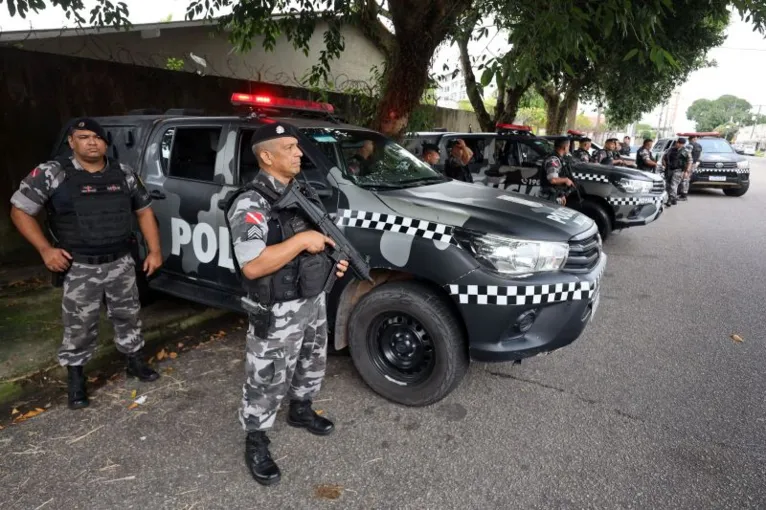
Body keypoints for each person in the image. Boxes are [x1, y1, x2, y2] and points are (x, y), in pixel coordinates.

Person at [225, 122, 350, 486]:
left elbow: (319, 241)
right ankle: (256, 440)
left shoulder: (301, 190)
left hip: (311, 299)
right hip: (276, 308)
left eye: (297, 146)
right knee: (267, 375)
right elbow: (253, 264)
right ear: (267, 156)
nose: (299, 153)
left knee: (312, 360)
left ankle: (300, 409)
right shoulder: (250, 202)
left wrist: (333, 259)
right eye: (290, 147)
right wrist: (304, 241)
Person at [9, 118, 163, 410]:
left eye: (97, 137)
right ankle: (77, 379)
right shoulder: (53, 173)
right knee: (79, 326)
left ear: (106, 142)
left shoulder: (124, 173)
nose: (92, 142)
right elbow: (20, 211)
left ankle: (134, 362)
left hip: (120, 261)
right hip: (80, 266)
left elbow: (144, 212)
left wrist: (154, 251)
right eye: (84, 137)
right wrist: (45, 250)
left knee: (129, 315)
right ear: (71, 141)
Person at [541, 138, 576, 206]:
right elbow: (553, 180)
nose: (569, 148)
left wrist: (561, 195)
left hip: (555, 194)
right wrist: (566, 180)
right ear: (565, 147)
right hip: (549, 197)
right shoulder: (553, 160)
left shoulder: (559, 159)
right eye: (568, 146)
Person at [661, 137, 691, 207]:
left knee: (673, 184)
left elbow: (689, 162)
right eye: (678, 143)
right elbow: (664, 158)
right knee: (668, 185)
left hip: (678, 170)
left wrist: (686, 172)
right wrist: (664, 164)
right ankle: (673, 199)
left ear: (683, 144)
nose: (678, 144)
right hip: (668, 169)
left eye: (680, 143)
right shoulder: (670, 150)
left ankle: (670, 199)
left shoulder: (685, 152)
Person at [679, 135, 703, 201]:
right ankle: (684, 194)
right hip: (694, 164)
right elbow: (700, 156)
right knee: (687, 179)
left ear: (690, 139)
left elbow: (684, 155)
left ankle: (683, 195)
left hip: (688, 164)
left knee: (684, 179)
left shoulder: (689, 145)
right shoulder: (699, 146)